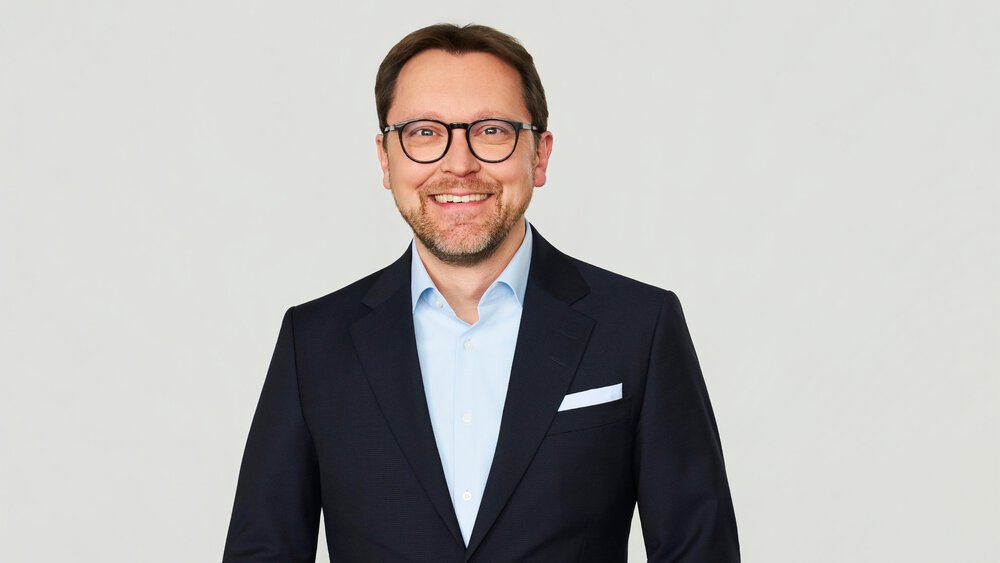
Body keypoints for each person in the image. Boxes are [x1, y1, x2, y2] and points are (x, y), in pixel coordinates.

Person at [223, 23, 740, 563]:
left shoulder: (639, 326)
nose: (459, 163)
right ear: (385, 159)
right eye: (424, 132)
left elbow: (699, 550)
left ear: (539, 156)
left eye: (492, 130)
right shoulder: (315, 344)